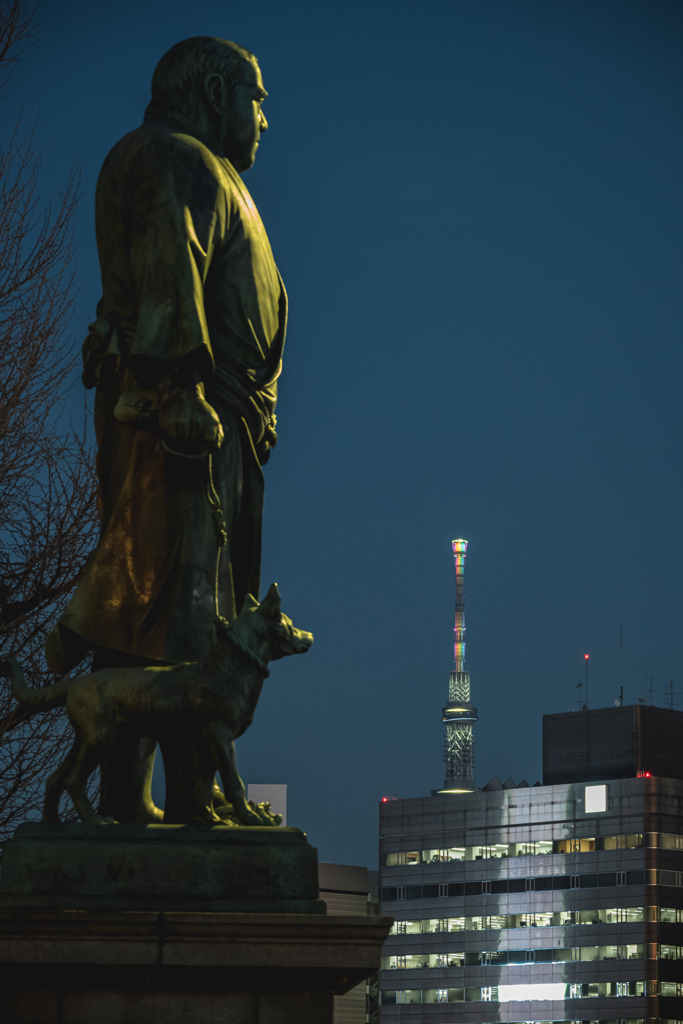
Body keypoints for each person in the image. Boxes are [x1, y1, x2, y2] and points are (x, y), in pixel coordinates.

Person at [46, 37, 287, 821]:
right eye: (256, 98)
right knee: (173, 606)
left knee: (183, 605)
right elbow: (169, 270)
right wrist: (179, 385)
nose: (264, 118)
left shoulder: (200, 167)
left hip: (219, 420)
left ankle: (166, 793)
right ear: (215, 92)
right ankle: (178, 795)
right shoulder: (172, 158)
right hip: (181, 414)